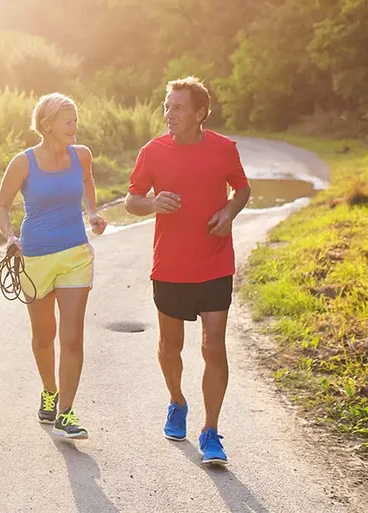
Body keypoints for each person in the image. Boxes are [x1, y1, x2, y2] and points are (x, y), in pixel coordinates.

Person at [124, 76, 251, 464]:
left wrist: (229, 211)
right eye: (167, 106)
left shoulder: (223, 149)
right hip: (171, 265)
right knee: (171, 346)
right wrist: (152, 204)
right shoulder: (153, 151)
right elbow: (131, 200)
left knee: (214, 345)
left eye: (178, 107)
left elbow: (242, 188)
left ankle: (211, 430)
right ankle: (177, 401)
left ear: (199, 113)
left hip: (214, 260)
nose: (169, 114)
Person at [0, 92, 107, 439]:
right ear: (48, 125)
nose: (76, 126)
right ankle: (49, 391)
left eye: (75, 120)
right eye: (69, 121)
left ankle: (66, 413)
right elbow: (1, 206)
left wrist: (91, 212)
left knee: (72, 337)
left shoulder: (82, 155)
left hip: (75, 254)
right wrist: (11, 237)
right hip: (35, 258)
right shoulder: (23, 162)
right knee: (45, 336)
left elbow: (87, 181)